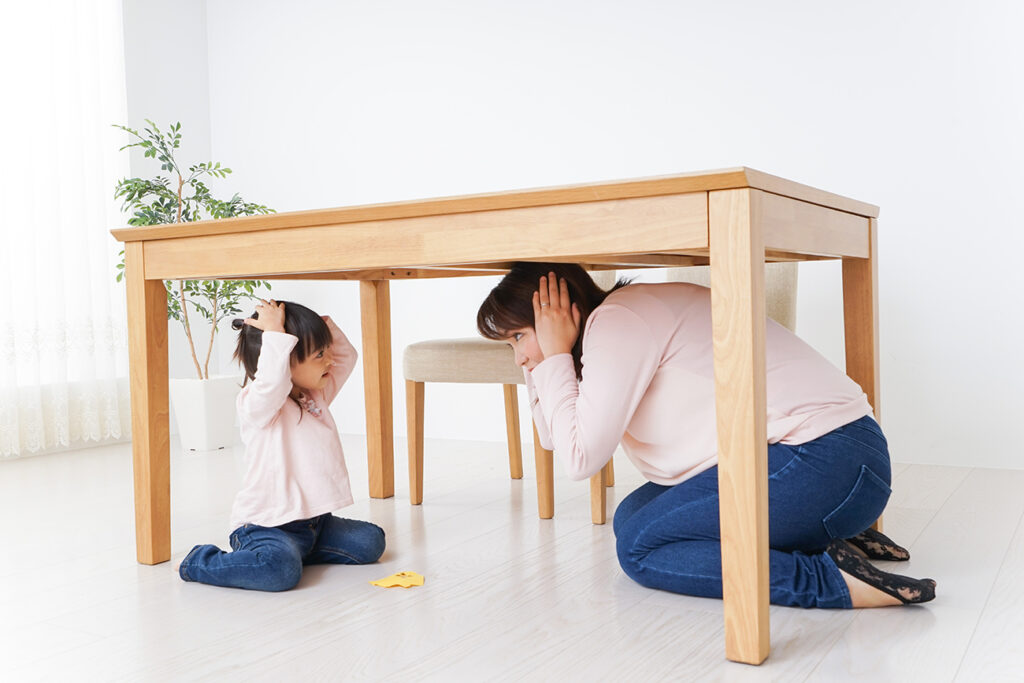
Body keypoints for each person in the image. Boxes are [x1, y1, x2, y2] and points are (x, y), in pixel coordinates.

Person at [477, 262, 935, 608]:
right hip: (829, 463)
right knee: (632, 517)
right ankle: (824, 535)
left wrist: (554, 355)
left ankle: (830, 581)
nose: (518, 357)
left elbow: (579, 460)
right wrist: (543, 362)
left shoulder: (617, 323)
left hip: (828, 460)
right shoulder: (613, 323)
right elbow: (555, 438)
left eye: (518, 337)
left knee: (639, 548)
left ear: (556, 313)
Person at [178, 299, 385, 591]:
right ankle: (199, 561)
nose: (330, 360)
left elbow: (346, 357)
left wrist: (321, 325)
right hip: (265, 526)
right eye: (319, 354)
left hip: (314, 523)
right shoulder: (258, 404)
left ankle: (298, 552)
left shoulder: (315, 396)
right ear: (283, 359)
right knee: (279, 572)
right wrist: (275, 333)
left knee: (370, 542)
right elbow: (272, 382)